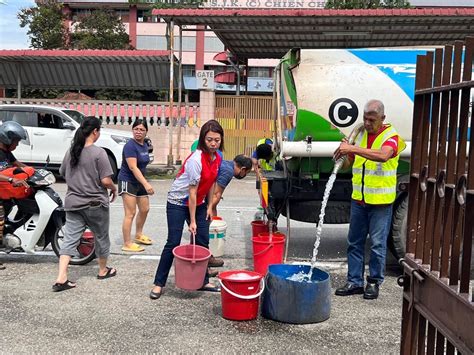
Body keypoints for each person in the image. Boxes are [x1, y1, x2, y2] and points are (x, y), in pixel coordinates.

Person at [333, 99, 406, 300]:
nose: (366, 123)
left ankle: (374, 282)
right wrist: (342, 155)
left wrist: (353, 149)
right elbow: (349, 165)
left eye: (371, 119)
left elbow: (383, 156)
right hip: (359, 200)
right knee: (354, 242)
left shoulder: (392, 137)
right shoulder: (361, 136)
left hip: (381, 203)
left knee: (377, 244)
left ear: (382, 118)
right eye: (364, 118)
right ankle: (354, 282)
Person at [150, 120, 224, 299]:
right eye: (209, 140)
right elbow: (192, 192)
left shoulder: (218, 158)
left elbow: (213, 182)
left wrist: (209, 207)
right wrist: (192, 220)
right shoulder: (196, 160)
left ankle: (203, 280)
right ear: (202, 140)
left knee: (202, 240)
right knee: (173, 242)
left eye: (217, 140)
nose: (213, 144)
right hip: (178, 201)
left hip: (199, 203)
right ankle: (159, 283)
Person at [53, 117, 117, 292]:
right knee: (101, 236)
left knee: (70, 239)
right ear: (95, 131)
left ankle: (61, 277)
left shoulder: (72, 151)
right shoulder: (99, 153)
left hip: (73, 203)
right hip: (95, 203)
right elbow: (105, 180)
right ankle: (103, 270)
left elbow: (62, 172)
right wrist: (114, 188)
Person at [118, 119, 154, 253]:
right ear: (132, 130)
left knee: (145, 209)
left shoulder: (144, 144)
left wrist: (143, 182)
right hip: (128, 181)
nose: (138, 132)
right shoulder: (130, 146)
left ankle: (138, 235)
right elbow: (133, 167)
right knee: (130, 213)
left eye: (141, 130)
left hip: (140, 181)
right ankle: (127, 243)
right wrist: (146, 183)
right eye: (136, 129)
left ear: (146, 132)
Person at [0, 121, 28, 271]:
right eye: (16, 141)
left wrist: (32, 171)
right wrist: (11, 179)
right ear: (7, 139)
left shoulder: (7, 153)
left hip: (5, 193)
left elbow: (17, 164)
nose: (17, 144)